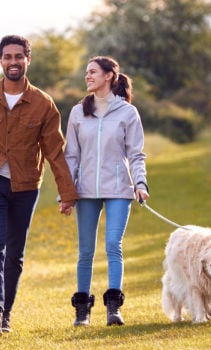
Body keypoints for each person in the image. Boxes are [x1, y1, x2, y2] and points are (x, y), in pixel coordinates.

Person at [0, 34, 78, 337]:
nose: (13, 62)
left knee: (15, 254)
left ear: (27, 60)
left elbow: (54, 152)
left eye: (18, 56)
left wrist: (67, 193)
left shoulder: (43, 104)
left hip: (26, 188)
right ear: (0, 61)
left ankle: (5, 315)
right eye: (8, 57)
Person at [64, 56, 149, 326]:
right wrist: (65, 193)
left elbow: (136, 154)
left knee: (113, 245)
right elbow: (71, 157)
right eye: (86, 72)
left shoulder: (127, 113)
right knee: (86, 251)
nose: (87, 77)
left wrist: (140, 183)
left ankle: (114, 308)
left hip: (119, 189)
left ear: (109, 76)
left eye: (92, 72)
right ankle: (82, 311)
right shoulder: (78, 112)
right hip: (86, 190)